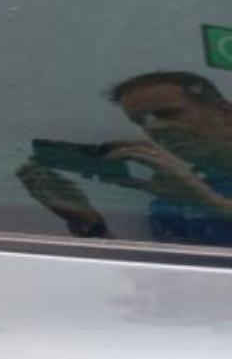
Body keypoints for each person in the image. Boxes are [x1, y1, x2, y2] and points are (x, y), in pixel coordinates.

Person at [18, 71, 232, 244]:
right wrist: (88, 222)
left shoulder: (190, 192)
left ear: (226, 113)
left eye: (166, 114)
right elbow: (164, 278)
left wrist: (205, 199)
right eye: (142, 122)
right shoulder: (171, 200)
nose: (155, 128)